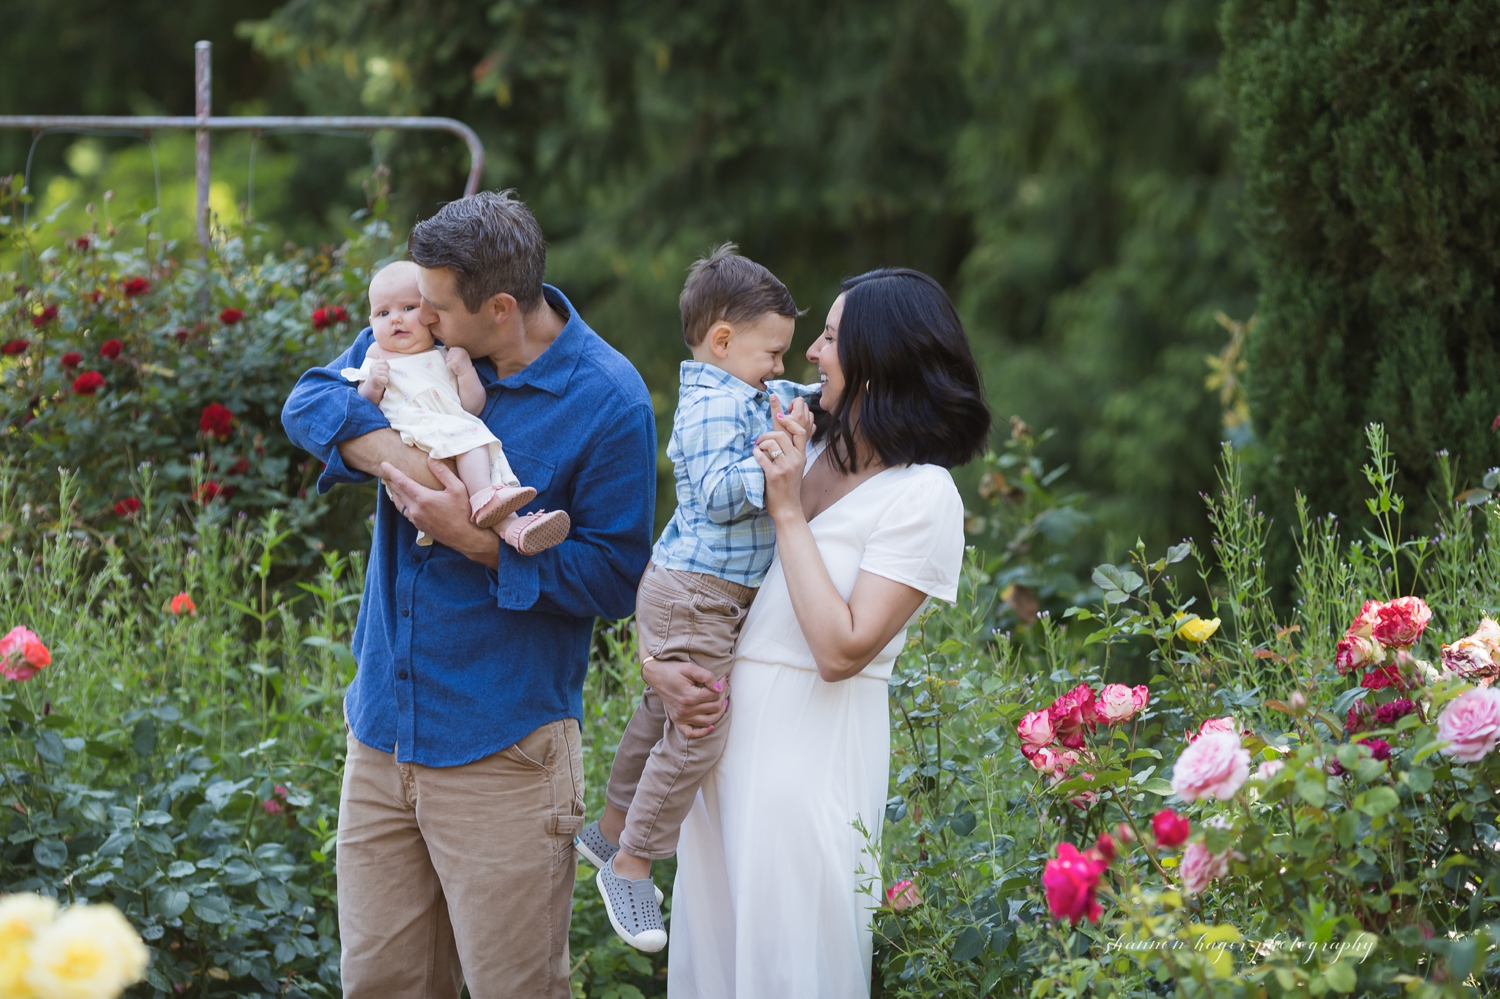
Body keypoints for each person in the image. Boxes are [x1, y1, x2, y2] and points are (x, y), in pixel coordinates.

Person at [280, 191, 657, 999]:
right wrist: (409, 464)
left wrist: (476, 540)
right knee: (379, 985)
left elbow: (616, 579)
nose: (416, 317)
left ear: (497, 308)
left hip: (504, 751)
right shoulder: (416, 335)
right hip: (382, 730)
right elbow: (311, 399)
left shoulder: (609, 399)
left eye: (437, 308)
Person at [665, 268, 992, 996]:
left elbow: (842, 647)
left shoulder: (923, 496)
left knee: (793, 964)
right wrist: (657, 661)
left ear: (881, 359)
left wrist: (786, 511)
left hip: (806, 762)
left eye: (833, 337)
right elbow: (690, 559)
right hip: (717, 751)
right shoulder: (801, 442)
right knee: (711, 967)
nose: (812, 351)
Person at [572, 245, 818, 952]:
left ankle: (611, 826)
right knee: (701, 726)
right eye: (773, 353)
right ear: (722, 341)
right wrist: (779, 467)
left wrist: (813, 406)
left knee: (661, 708)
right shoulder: (713, 404)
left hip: (692, 588)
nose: (781, 367)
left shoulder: (747, 391)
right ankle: (632, 864)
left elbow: (793, 400)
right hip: (698, 592)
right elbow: (713, 491)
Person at [341, 259, 568, 553]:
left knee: (483, 450)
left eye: (409, 308)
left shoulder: (444, 352)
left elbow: (471, 407)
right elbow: (360, 407)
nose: (396, 319)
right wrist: (372, 385)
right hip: (415, 430)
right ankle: (487, 500)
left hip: (450, 431)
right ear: (371, 324)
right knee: (473, 444)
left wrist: (464, 371)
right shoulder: (376, 353)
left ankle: (514, 529)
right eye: (383, 313)